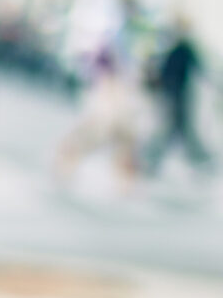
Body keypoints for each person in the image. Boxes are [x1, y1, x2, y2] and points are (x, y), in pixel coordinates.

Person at [52, 43, 142, 189]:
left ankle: (65, 165)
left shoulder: (113, 79)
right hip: (108, 115)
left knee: (122, 144)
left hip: (111, 115)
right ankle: (65, 165)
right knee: (91, 139)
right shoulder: (111, 80)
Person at [144, 19, 212, 176]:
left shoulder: (183, 49)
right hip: (173, 97)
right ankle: (152, 160)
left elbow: (198, 69)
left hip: (179, 98)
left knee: (178, 132)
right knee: (175, 131)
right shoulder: (173, 49)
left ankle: (153, 160)